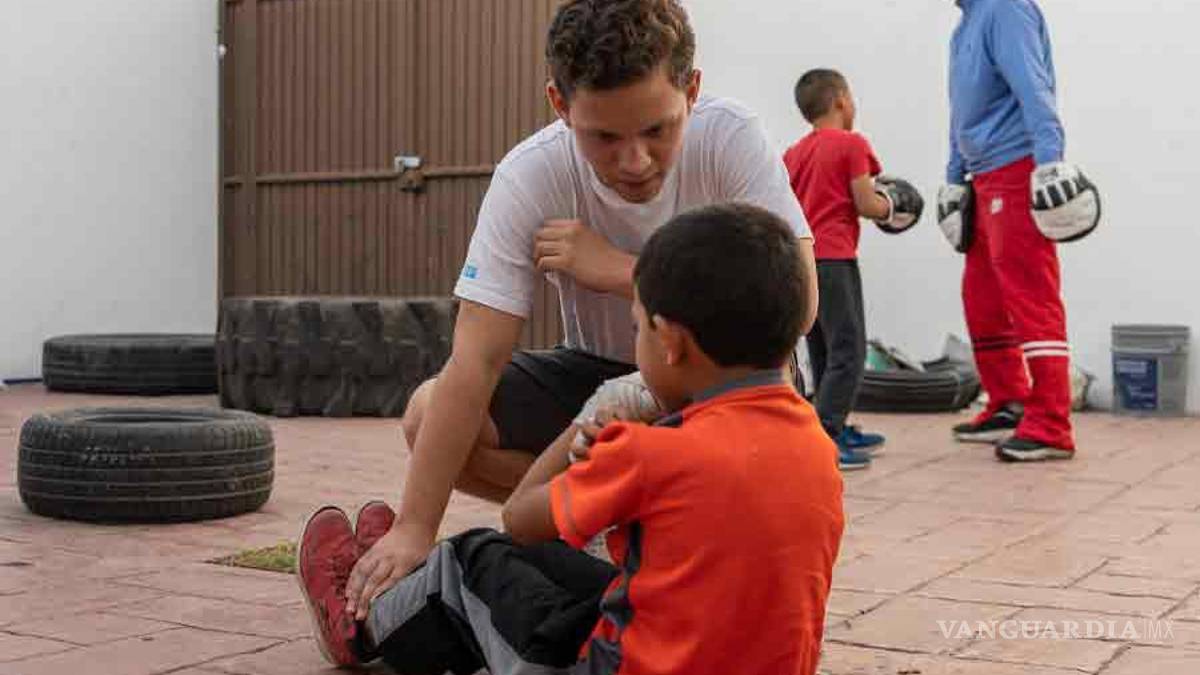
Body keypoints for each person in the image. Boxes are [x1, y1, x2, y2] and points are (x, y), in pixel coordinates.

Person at [345, 0, 817, 611]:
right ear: (561, 105)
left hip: (721, 378)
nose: (634, 161)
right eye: (603, 136)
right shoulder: (529, 176)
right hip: (601, 376)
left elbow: (798, 301)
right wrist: (414, 526)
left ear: (692, 90)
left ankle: (671, 535)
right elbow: (476, 359)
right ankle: (607, 537)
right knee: (429, 411)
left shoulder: (730, 137)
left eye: (657, 129)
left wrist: (625, 273)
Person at [295, 202, 845, 675]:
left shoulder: (655, 450)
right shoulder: (818, 448)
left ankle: (363, 625)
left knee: (472, 559)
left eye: (637, 329)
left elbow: (521, 519)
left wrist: (592, 418)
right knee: (597, 577)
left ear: (671, 343)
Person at [938, 0, 1091, 461]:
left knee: (1030, 293)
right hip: (981, 175)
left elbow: (1033, 86)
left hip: (1016, 164)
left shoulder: (1006, 8)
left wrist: (1050, 163)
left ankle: (1051, 423)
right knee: (982, 299)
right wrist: (953, 176)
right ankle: (1010, 400)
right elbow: (959, 111)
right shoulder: (965, 25)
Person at [783, 69, 924, 471]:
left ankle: (833, 425)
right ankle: (825, 437)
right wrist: (895, 207)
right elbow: (866, 203)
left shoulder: (794, 152)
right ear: (842, 100)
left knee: (823, 350)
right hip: (837, 258)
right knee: (850, 351)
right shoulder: (852, 144)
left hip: (804, 261)